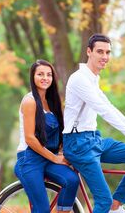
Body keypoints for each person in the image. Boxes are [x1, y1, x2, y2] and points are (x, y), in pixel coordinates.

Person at [62, 33, 125, 213]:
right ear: (89, 52)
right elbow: (103, 109)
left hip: (94, 140)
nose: (105, 57)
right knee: (102, 201)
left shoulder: (93, 78)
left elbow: (108, 105)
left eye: (108, 52)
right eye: (100, 52)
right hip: (78, 144)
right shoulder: (79, 79)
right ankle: (108, 206)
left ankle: (116, 206)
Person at [14, 59, 79, 213]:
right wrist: (55, 158)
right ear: (33, 77)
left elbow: (59, 131)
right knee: (42, 209)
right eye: (40, 74)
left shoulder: (52, 101)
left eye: (49, 75)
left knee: (72, 180)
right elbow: (30, 139)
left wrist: (62, 152)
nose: (45, 78)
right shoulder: (30, 101)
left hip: (48, 157)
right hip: (29, 159)